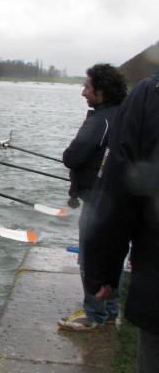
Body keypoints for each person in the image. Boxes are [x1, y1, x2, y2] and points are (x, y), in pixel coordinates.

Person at [83, 73, 159, 372]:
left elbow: (118, 193)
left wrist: (102, 272)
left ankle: (101, 314)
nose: (81, 92)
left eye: (87, 87)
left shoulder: (148, 95)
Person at [57, 63, 128, 332]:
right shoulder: (123, 112)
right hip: (118, 199)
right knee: (113, 256)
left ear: (102, 90)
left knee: (91, 259)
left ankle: (94, 315)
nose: (83, 92)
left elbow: (72, 157)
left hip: (99, 201)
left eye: (87, 87)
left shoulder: (101, 120)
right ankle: (109, 311)